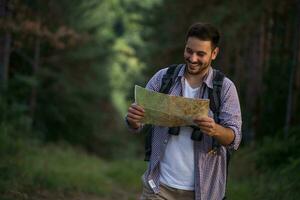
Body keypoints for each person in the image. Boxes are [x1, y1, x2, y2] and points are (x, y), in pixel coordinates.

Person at [125, 22, 242, 200]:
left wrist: (215, 129)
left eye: (200, 54)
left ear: (214, 53)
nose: (193, 58)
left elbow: (234, 138)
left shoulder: (225, 88)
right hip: (158, 187)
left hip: (204, 192)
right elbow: (138, 123)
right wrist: (133, 120)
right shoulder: (164, 78)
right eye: (189, 51)